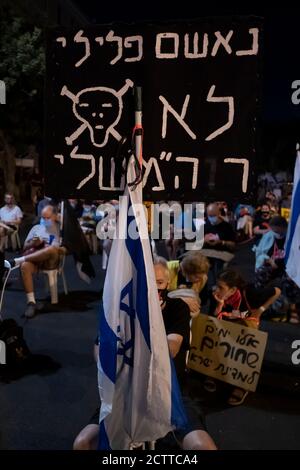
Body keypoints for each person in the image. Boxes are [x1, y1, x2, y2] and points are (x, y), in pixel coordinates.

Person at [73, 261, 217, 451]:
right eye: (148, 282)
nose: (153, 287)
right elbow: (100, 349)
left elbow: (171, 350)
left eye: (159, 282)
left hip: (169, 393)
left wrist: (151, 319)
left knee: (203, 446)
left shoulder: (176, 308)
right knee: (82, 443)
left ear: (167, 284)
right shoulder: (123, 309)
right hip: (125, 392)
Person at [205, 269, 281, 405]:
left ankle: (242, 385)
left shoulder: (250, 293)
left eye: (221, 287)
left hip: (246, 325)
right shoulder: (216, 296)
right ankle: (213, 372)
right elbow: (213, 319)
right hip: (229, 324)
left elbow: (277, 291)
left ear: (233, 290)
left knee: (247, 347)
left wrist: (261, 310)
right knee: (213, 333)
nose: (217, 289)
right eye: (217, 285)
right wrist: (219, 305)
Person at [7, 205, 66, 318]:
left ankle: (18, 260)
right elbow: (24, 247)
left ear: (55, 216)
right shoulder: (37, 228)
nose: (44, 220)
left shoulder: (61, 228)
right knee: (25, 266)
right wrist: (33, 243)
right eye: (42, 217)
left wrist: (54, 247)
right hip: (35, 260)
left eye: (47, 217)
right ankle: (31, 302)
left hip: (51, 262)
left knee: (51, 249)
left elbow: (66, 248)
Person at [202, 203, 236, 287]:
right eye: (210, 216)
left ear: (218, 214)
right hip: (207, 252)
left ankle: (218, 285)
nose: (211, 218)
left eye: (213, 216)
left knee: (218, 265)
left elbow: (233, 245)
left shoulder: (226, 227)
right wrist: (204, 240)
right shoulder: (205, 225)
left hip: (222, 252)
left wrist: (221, 242)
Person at [166, 252, 210, 317]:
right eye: (197, 277)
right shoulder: (167, 269)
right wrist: (181, 300)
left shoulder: (202, 277)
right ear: (184, 271)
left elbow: (203, 300)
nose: (199, 279)